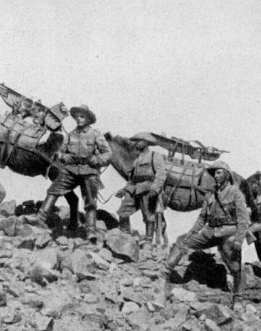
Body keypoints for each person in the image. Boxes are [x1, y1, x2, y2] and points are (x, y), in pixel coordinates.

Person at [164, 161, 250, 297]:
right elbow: (202, 218)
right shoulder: (210, 195)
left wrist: (238, 240)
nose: (215, 176)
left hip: (228, 233)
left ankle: (237, 297)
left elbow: (243, 220)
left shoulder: (235, 193)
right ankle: (164, 274)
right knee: (181, 242)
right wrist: (191, 231)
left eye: (218, 172)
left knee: (235, 267)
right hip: (209, 232)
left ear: (227, 175)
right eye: (213, 173)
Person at [27, 104, 111, 242]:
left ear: (89, 119)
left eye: (82, 116)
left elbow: (108, 154)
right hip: (71, 171)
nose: (79, 119)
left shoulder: (96, 134)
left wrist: (97, 159)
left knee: (90, 202)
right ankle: (40, 218)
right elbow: (62, 152)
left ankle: (91, 232)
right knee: (53, 190)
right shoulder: (71, 135)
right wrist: (63, 157)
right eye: (77, 116)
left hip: (89, 172)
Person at [116, 132, 167, 245]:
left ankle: (148, 241)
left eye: (139, 141)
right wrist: (124, 189)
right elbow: (131, 179)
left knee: (149, 216)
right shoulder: (136, 159)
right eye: (136, 141)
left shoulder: (155, 155)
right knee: (123, 212)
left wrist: (155, 189)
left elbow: (161, 174)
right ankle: (126, 235)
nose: (136, 143)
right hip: (135, 188)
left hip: (148, 188)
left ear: (146, 142)